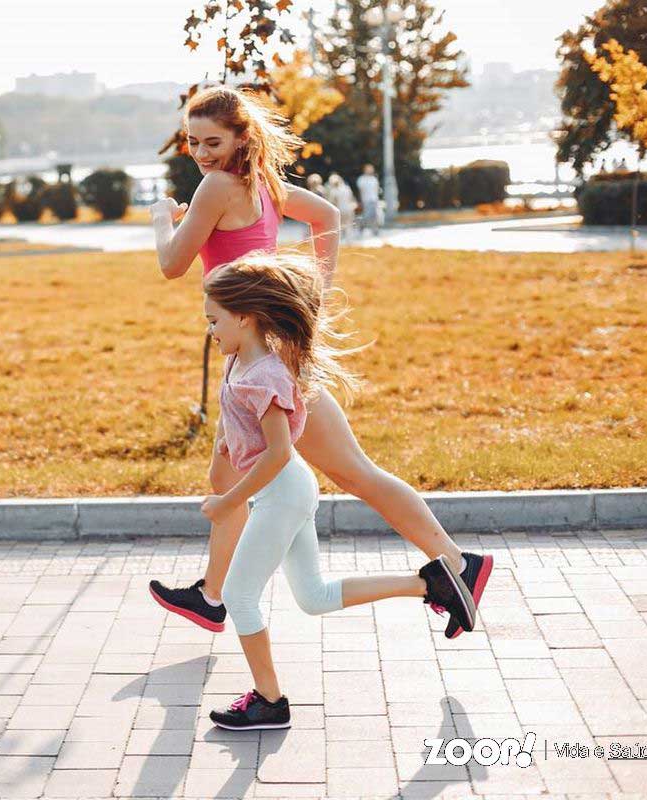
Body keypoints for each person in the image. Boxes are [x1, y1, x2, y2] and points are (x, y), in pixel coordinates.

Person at [148, 84, 493, 643]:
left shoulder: (215, 186)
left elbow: (171, 264)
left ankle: (458, 564)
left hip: (266, 360)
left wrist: (163, 217)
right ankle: (212, 596)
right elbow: (327, 215)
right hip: (258, 351)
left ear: (241, 137)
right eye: (193, 142)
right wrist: (314, 290)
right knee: (225, 472)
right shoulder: (258, 185)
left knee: (355, 473)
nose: (202, 153)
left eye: (213, 141)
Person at [200, 252, 475, 730]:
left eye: (214, 320)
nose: (210, 330)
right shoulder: (239, 362)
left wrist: (228, 501)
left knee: (240, 596)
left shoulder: (266, 374)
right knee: (313, 596)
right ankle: (431, 585)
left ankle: (270, 701)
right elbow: (238, 429)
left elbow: (279, 452)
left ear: (244, 317)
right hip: (282, 493)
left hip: (283, 492)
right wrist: (224, 454)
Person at [326, 173, 357, 242]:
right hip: (349, 209)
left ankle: (341, 240)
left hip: (340, 210)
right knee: (349, 225)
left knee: (339, 225)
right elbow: (351, 199)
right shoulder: (346, 188)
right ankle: (349, 240)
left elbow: (332, 203)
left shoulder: (333, 191)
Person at [356, 164, 382, 236]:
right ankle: (361, 227)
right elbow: (360, 192)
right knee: (367, 216)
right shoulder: (361, 179)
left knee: (375, 216)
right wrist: (360, 201)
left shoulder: (374, 179)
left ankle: (375, 230)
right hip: (366, 200)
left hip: (374, 200)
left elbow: (376, 191)